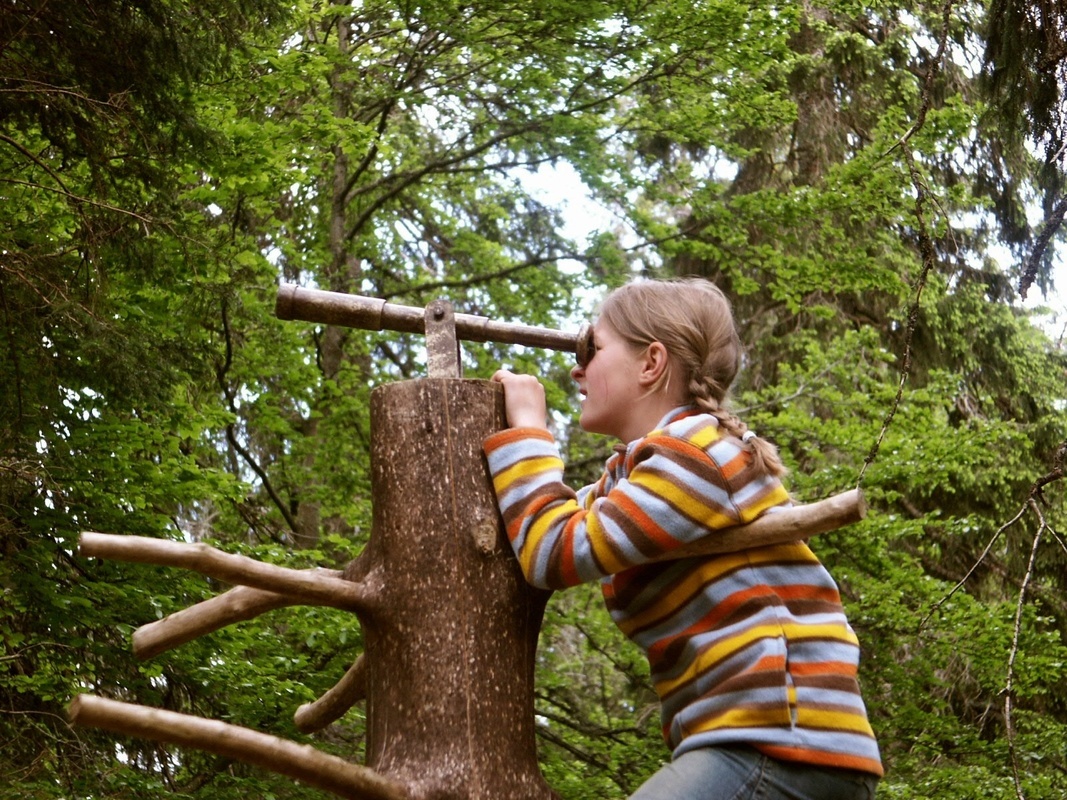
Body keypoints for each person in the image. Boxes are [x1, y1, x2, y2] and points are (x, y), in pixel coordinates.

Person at [482, 277, 882, 800]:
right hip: (766, 743)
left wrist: (528, 431)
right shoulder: (646, 471)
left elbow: (553, 549)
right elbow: (546, 519)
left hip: (781, 743)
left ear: (651, 363)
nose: (576, 368)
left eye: (591, 348)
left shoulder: (694, 454)